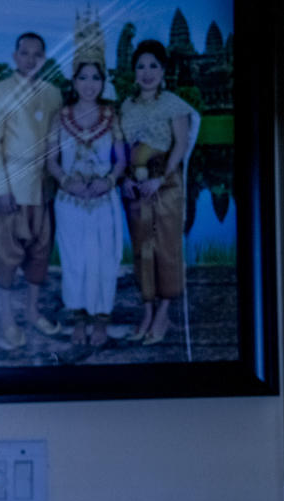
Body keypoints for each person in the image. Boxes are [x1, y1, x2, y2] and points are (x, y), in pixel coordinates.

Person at [0, 31, 64, 348]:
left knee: (40, 252)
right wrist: (0, 189)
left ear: (44, 59)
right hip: (12, 187)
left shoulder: (53, 93)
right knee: (7, 254)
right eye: (25, 53)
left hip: (43, 186)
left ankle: (32, 311)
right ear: (15, 56)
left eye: (37, 54)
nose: (31, 59)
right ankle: (7, 318)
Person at [119, 39, 199, 345]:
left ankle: (163, 314)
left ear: (163, 70)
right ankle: (147, 311)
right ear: (134, 71)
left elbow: (179, 144)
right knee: (142, 249)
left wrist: (161, 177)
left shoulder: (174, 104)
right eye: (141, 66)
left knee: (166, 248)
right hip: (136, 187)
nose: (147, 73)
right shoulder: (127, 106)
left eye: (153, 66)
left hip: (164, 184)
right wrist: (125, 178)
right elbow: (123, 148)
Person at [46, 57, 126, 346]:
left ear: (103, 83)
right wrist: (70, 184)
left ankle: (101, 321)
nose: (90, 84)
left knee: (105, 260)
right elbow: (51, 161)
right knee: (74, 261)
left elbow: (121, 160)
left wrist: (109, 181)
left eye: (96, 78)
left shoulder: (111, 115)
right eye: (84, 77)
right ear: (74, 81)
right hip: (71, 201)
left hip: (105, 200)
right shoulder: (60, 116)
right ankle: (79, 320)